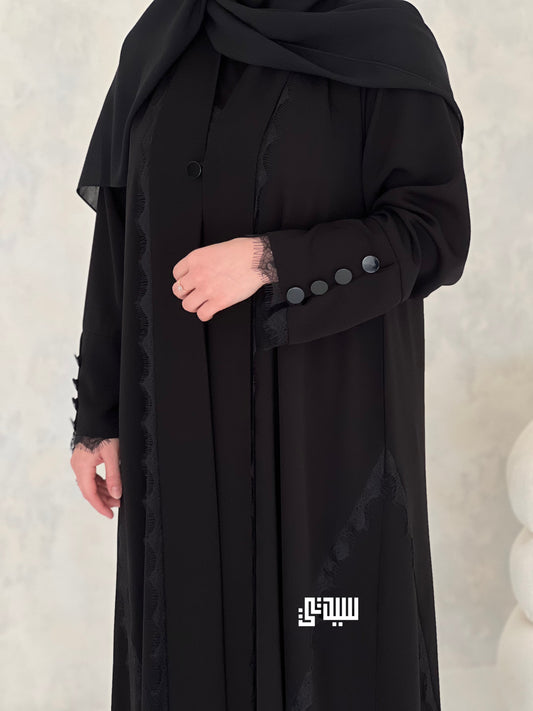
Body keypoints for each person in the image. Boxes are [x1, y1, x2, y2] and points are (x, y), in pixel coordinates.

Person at [69, 0, 471, 708]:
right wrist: (97, 416)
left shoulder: (384, 38)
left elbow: (433, 232)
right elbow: (119, 237)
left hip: (327, 449)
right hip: (178, 440)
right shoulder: (166, 36)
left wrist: (271, 261)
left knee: (330, 640)